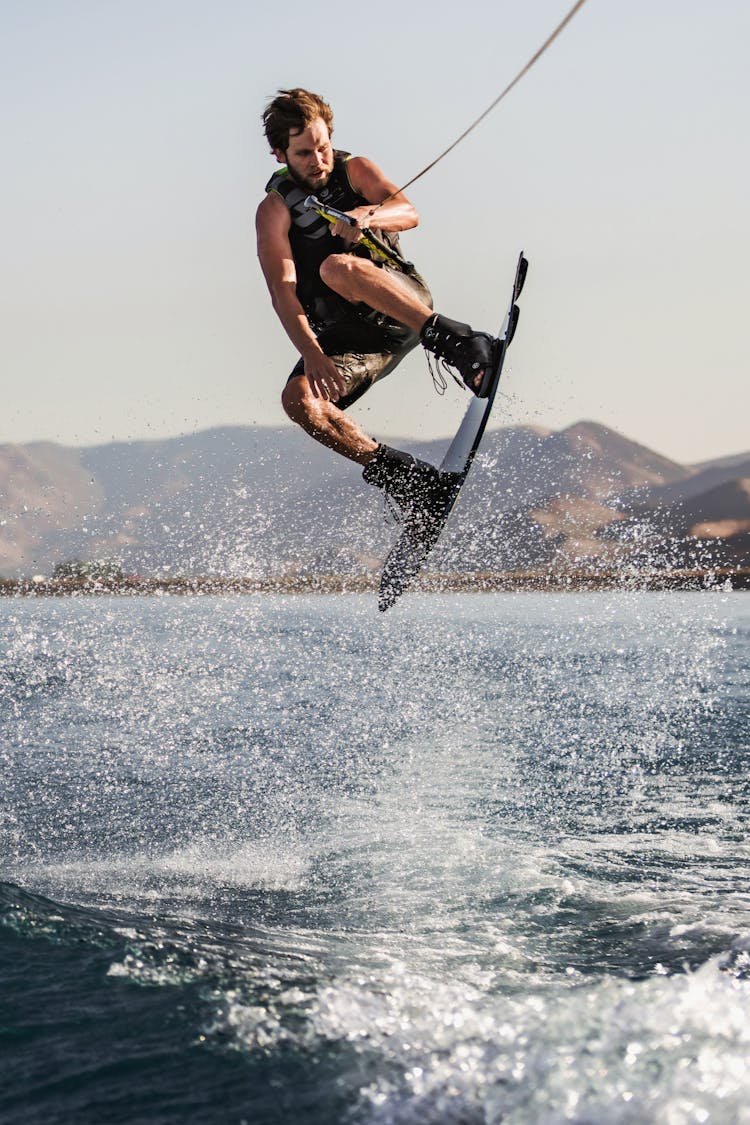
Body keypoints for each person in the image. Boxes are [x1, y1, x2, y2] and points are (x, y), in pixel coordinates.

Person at [256, 87, 498, 518]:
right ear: (280, 155)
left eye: (323, 147)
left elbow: (407, 211)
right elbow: (283, 292)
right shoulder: (273, 212)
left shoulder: (356, 171)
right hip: (352, 338)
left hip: (402, 305)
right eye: (304, 153)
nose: (318, 160)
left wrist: (368, 215)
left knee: (336, 268)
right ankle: (411, 481)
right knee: (299, 402)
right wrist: (312, 352)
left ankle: (459, 342)